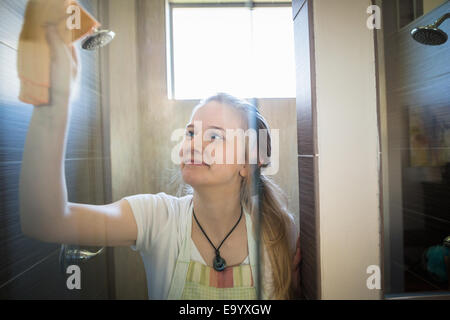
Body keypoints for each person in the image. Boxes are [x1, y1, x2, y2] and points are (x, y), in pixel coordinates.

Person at [19, 25, 301, 300]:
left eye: (215, 136)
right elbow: (46, 221)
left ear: (246, 164)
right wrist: (53, 102)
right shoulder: (157, 217)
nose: (193, 143)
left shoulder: (276, 231)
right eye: (191, 133)